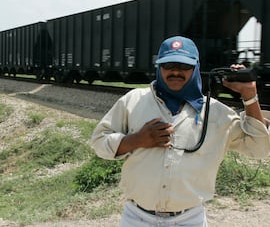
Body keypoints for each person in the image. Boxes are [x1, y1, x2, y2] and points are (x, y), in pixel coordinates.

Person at [90, 36, 270, 226]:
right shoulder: (133, 101)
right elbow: (99, 142)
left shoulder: (215, 113)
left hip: (189, 220)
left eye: (184, 66)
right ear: (159, 67)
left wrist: (250, 97)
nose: (175, 71)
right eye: (168, 65)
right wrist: (136, 140)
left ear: (195, 68)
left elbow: (259, 149)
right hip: (136, 217)